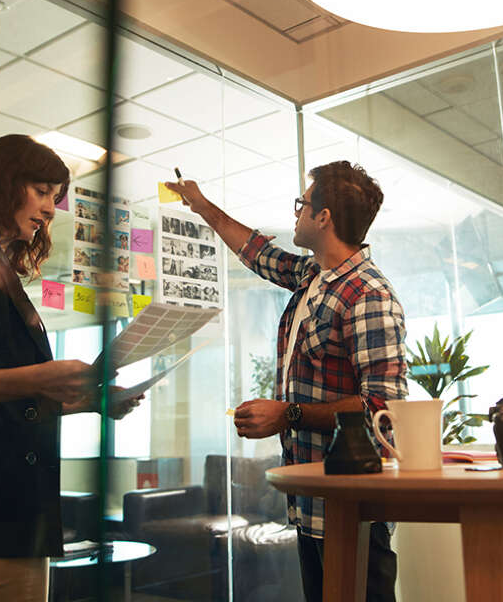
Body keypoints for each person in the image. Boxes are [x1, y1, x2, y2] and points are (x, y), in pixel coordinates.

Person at [166, 161, 407, 602]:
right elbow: (257, 252)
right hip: (312, 504)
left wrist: (289, 414)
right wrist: (201, 205)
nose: (296, 213)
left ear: (323, 217)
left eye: (303, 204)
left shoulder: (369, 294)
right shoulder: (313, 277)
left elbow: (383, 408)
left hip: (351, 508)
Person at [0, 135, 141, 602]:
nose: (49, 209)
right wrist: (42, 377)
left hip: (14, 499)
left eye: (54, 197)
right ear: (3, 183)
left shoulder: (0, 270)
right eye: (41, 191)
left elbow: (11, 402)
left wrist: (90, 404)